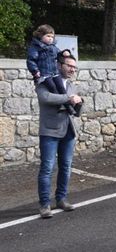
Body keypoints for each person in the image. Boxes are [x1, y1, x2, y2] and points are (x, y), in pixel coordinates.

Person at [36, 54, 83, 218]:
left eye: (74, 67)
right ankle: (44, 205)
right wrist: (68, 98)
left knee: (66, 167)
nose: (72, 69)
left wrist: (78, 104)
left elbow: (76, 108)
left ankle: (61, 199)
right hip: (49, 131)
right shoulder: (45, 82)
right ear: (59, 65)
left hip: (68, 131)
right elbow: (45, 98)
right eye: (69, 66)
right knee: (47, 168)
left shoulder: (71, 85)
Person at [26, 24, 78, 115]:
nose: (50, 38)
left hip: (54, 72)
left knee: (61, 87)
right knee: (52, 87)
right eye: (48, 36)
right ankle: (59, 105)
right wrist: (35, 71)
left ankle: (68, 107)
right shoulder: (35, 48)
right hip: (45, 74)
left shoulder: (53, 47)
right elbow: (31, 60)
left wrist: (65, 52)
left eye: (52, 37)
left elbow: (59, 54)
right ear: (40, 36)